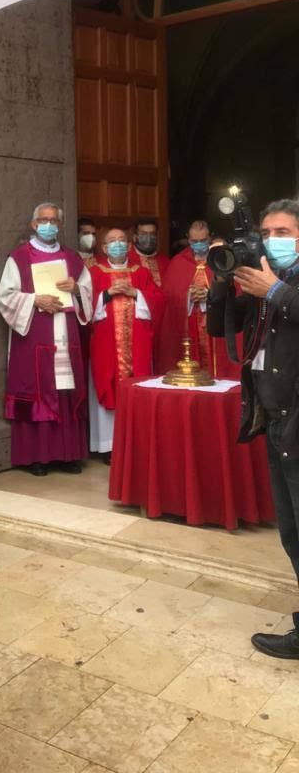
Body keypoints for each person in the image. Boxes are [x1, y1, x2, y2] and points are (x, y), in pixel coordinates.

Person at [207, 199, 299, 660]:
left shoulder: (281, 284)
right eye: (267, 230)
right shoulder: (260, 278)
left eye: (283, 230)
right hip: (276, 422)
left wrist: (275, 290)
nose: (272, 238)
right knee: (292, 531)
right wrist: (224, 285)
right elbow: (216, 329)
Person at [0, 202, 93, 475]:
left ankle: (67, 453)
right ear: (33, 224)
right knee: (39, 390)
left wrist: (76, 288)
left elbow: (87, 291)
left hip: (66, 333)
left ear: (59, 225)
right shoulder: (18, 257)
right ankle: (36, 457)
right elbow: (5, 296)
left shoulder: (73, 258)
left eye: (53, 220)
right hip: (35, 335)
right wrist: (35, 300)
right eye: (43, 220)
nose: (48, 225)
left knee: (64, 389)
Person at [89, 229, 164, 458]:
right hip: (105, 345)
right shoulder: (93, 272)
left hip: (137, 344)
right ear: (103, 248)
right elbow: (83, 305)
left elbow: (159, 301)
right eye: (112, 241)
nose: (117, 245)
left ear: (129, 245)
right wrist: (106, 294)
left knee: (137, 385)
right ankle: (108, 446)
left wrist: (136, 293)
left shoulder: (141, 272)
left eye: (122, 241)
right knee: (106, 383)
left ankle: (136, 444)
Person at [157, 219, 240, 379]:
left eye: (203, 240)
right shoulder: (178, 262)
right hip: (189, 325)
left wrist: (209, 295)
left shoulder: (223, 259)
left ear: (211, 238)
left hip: (216, 325)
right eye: (194, 241)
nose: (199, 244)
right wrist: (187, 296)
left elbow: (236, 290)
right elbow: (168, 295)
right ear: (188, 239)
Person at [128, 216, 169, 288]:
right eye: (144, 234)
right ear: (135, 237)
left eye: (152, 234)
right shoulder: (127, 260)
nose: (149, 238)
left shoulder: (165, 261)